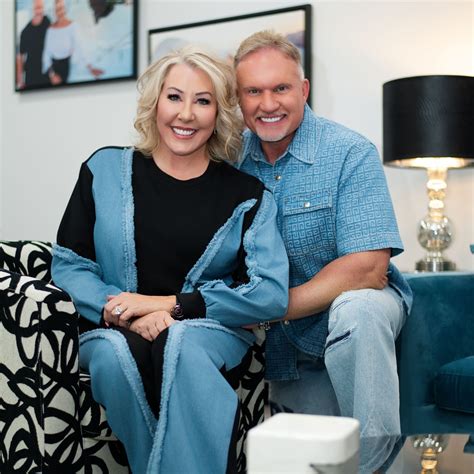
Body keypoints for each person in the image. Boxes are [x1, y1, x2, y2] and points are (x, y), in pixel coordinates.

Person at [51, 45, 288, 473]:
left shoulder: (248, 195)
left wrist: (175, 308)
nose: (186, 114)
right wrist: (124, 312)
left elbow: (269, 293)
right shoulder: (103, 170)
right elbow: (70, 265)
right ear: (155, 102)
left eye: (203, 101)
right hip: (110, 328)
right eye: (174, 97)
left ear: (219, 113)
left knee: (180, 342)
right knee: (114, 353)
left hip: (207, 333)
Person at [234, 30, 413, 474]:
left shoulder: (349, 152)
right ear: (238, 99)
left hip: (350, 318)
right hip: (278, 349)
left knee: (359, 308)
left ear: (304, 89)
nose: (268, 104)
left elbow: (369, 269)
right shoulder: (227, 160)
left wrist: (269, 307)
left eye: (280, 88)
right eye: (253, 91)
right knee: (307, 462)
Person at [42, 0, 104, 85]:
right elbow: (46, 53)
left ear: (65, 9)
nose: (59, 11)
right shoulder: (50, 30)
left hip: (66, 67)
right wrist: (51, 74)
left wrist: (90, 68)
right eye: (57, 9)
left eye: (61, 8)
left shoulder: (72, 26)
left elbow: (80, 48)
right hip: (51, 71)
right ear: (54, 11)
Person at [16, 0, 50, 89]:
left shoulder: (48, 23)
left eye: (41, 7)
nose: (39, 10)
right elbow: (20, 57)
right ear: (33, 9)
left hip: (47, 76)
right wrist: (20, 81)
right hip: (31, 77)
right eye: (37, 8)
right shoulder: (25, 32)